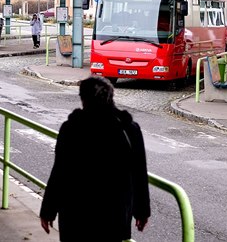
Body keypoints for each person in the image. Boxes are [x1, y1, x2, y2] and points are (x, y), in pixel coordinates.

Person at [40, 76, 151, 242]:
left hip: (76, 214)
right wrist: (142, 211)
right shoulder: (128, 129)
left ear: (83, 99)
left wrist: (48, 210)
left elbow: (60, 172)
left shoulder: (71, 128)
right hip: (114, 215)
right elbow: (139, 173)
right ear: (111, 97)